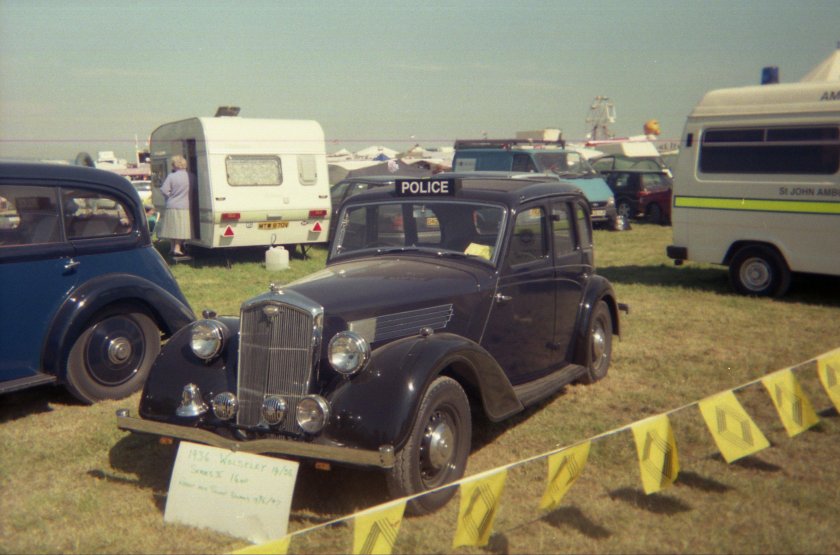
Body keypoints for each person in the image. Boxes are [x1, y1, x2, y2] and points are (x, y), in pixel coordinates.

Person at [157, 155, 191, 256]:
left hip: (171, 205)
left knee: (172, 228)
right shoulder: (190, 176)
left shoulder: (171, 176)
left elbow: (163, 190)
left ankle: (172, 248)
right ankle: (177, 248)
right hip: (184, 206)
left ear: (175, 165)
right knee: (181, 228)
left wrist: (170, 196)